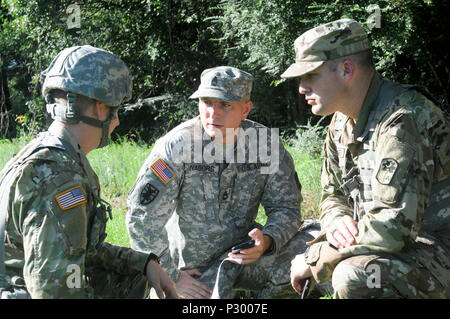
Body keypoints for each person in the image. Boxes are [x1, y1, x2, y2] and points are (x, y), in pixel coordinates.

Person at [284, 19, 449, 298]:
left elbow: (390, 229)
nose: (301, 87)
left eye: (310, 75)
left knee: (356, 277)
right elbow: (331, 194)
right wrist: (338, 221)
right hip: (397, 249)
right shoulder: (340, 123)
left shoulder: (402, 121)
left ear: (347, 70)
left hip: (435, 249)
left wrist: (316, 259)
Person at [126, 66, 321, 299]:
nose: (213, 113)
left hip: (241, 257)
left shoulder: (265, 145)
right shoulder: (177, 147)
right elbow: (142, 217)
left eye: (225, 105)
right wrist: (171, 276)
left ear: (245, 109)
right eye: (207, 102)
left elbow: (286, 208)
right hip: (191, 273)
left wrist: (267, 240)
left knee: (313, 247)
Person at [0, 45, 177, 299]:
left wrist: (143, 263)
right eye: (116, 109)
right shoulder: (60, 178)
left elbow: (78, 248)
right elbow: (54, 292)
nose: (117, 120)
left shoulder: (52, 154)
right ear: (98, 107)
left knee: (132, 275)